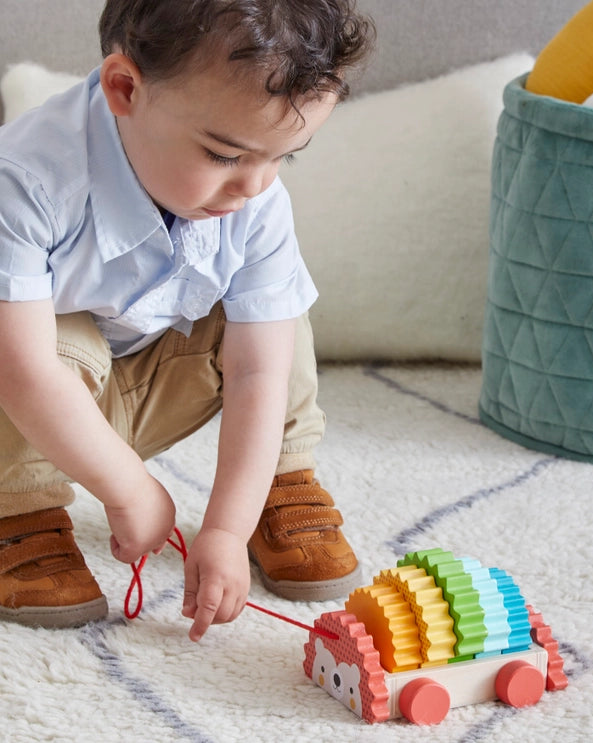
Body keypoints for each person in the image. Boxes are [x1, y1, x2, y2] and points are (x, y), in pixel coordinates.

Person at [0, 0, 374, 642]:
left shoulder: (256, 201)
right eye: (225, 155)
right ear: (124, 89)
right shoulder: (26, 180)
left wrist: (225, 527)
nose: (255, 187)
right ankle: (19, 511)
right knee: (42, 340)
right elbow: (23, 369)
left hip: (142, 390)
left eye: (286, 156)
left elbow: (259, 370)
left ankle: (276, 485)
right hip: (27, 406)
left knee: (280, 317)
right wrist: (128, 489)